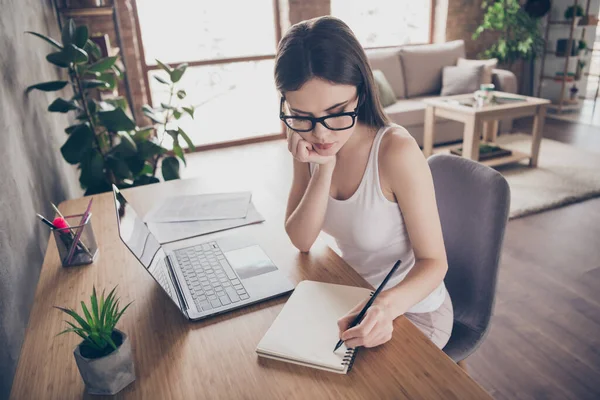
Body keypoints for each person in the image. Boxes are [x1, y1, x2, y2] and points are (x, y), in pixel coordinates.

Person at [274, 16, 453, 350]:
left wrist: (385, 306)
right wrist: (322, 167)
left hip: (410, 309)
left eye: (336, 110)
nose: (321, 133)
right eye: (302, 116)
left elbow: (434, 262)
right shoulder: (306, 140)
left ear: (361, 92)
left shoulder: (395, 151)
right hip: (351, 295)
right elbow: (301, 238)